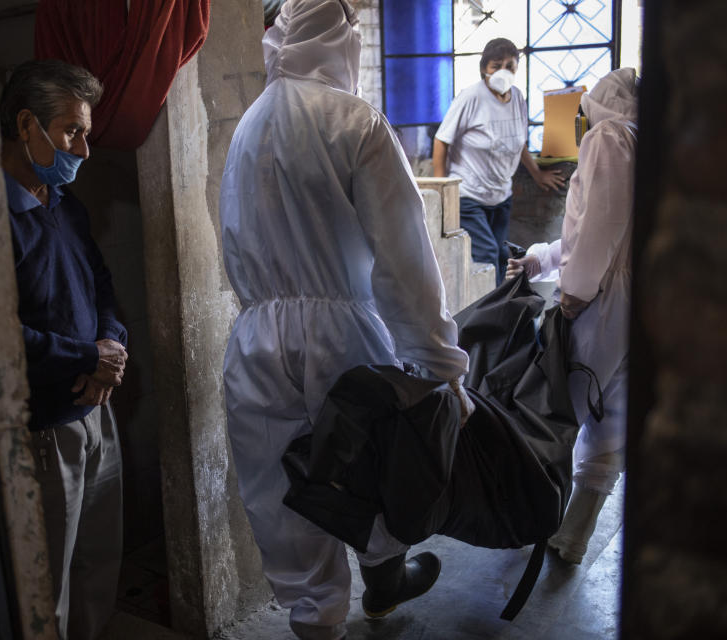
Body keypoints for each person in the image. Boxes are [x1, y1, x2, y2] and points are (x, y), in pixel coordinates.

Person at [219, 2, 473, 639]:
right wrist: (442, 365)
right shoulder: (355, 121)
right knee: (369, 466)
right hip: (345, 335)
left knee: (284, 494)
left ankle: (317, 623)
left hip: (257, 337)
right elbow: (404, 262)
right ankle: (384, 577)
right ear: (341, 42)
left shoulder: (248, 125)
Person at [0, 59, 128, 639]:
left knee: (98, 564)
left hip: (97, 408)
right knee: (46, 582)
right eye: (72, 131)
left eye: (85, 132)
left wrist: (111, 348)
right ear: (27, 125)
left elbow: (103, 287)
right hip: (45, 428)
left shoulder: (62, 205)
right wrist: (85, 360)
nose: (84, 149)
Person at [506, 67, 639, 564]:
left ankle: (531, 516)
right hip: (635, 299)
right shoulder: (643, 142)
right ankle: (574, 536)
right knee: (612, 416)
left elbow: (600, 226)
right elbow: (598, 228)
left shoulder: (608, 136)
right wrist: (541, 256)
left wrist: (575, 293)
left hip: (603, 299)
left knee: (559, 413)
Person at [432, 38, 565, 285]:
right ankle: (487, 316)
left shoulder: (517, 97)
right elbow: (441, 141)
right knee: (486, 254)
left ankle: (504, 312)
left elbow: (519, 141)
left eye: (510, 66)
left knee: (503, 257)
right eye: (496, 65)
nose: (504, 71)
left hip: (501, 195)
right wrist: (443, 191)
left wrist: (537, 174)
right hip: (468, 195)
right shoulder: (470, 97)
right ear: (484, 68)